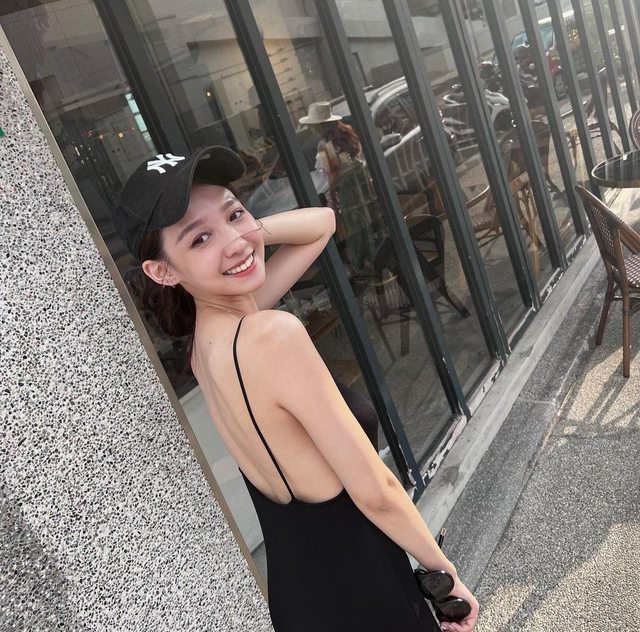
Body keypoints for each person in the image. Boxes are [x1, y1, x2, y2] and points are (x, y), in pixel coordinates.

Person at [111, 145, 479, 632]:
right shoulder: (271, 336)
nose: (234, 242)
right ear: (162, 271)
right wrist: (446, 578)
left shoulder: (207, 346)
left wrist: (241, 234)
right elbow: (376, 493)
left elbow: (322, 224)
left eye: (234, 212)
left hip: (299, 600)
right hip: (366, 594)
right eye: (199, 238)